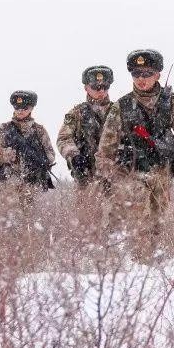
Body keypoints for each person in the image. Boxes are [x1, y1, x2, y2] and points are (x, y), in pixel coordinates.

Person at [95, 49, 174, 261]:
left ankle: (151, 266)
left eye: (147, 73)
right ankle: (138, 263)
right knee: (139, 219)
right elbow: (106, 149)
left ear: (158, 74)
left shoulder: (171, 101)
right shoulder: (121, 107)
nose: (141, 79)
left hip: (162, 174)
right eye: (136, 74)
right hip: (130, 175)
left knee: (158, 221)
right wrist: (107, 178)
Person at [56, 65, 114, 230]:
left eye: (105, 86)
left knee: (118, 226)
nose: (101, 90)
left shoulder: (119, 111)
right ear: (86, 87)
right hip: (87, 178)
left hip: (116, 177)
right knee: (87, 226)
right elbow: (63, 138)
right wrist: (74, 156)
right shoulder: (77, 113)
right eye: (96, 87)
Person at [0, 90, 57, 212]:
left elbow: (51, 154)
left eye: (24, 108)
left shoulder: (39, 131)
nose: (20, 110)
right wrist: (11, 153)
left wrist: (38, 159)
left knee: (31, 220)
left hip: (33, 184)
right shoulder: (4, 129)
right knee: (8, 219)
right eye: (17, 107)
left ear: (31, 108)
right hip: (10, 184)